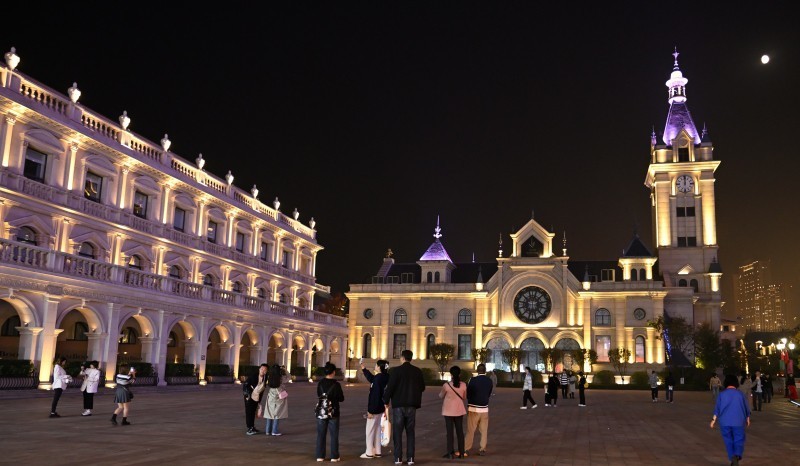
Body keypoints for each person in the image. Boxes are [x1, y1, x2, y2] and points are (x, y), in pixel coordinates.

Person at [383, 350, 425, 465]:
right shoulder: (417, 371)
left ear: (402, 358)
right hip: (412, 405)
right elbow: (422, 387)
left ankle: (398, 458)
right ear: (411, 358)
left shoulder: (396, 371)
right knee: (410, 432)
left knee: (398, 432)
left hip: (398, 405)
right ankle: (411, 458)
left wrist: (386, 401)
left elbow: (390, 388)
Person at [710, 374, 751, 466]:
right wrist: (748, 418)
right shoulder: (740, 394)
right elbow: (746, 408)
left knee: (728, 440)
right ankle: (737, 455)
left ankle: (732, 456)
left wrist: (713, 420)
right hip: (738, 421)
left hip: (725, 421)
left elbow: (717, 409)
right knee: (739, 439)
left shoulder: (722, 394)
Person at [360, 359, 390, 459]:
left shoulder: (378, 378)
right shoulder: (385, 377)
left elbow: (374, 395)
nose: (375, 366)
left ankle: (369, 452)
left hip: (375, 407)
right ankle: (378, 451)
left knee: (369, 430)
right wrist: (364, 369)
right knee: (377, 429)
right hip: (381, 407)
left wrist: (370, 411)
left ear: (380, 367)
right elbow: (372, 378)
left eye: (376, 365)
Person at [316, 362, 344, 462]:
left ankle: (320, 456)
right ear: (333, 372)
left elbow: (319, 395)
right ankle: (334, 456)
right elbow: (341, 398)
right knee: (334, 435)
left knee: (321, 434)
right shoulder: (336, 385)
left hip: (322, 411)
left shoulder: (320, 383)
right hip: (334, 411)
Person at [464, 363, 493, 457]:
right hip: (484, 408)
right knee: (484, 431)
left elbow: (468, 393)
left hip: (473, 407)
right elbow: (489, 393)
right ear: (485, 371)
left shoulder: (472, 380)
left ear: (477, 370)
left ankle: (466, 448)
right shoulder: (489, 381)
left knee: (470, 430)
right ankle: (482, 449)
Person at [439, 365, 467, 459]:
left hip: (448, 411)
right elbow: (464, 397)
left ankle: (450, 453)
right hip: (459, 410)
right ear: (460, 373)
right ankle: (462, 452)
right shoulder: (463, 385)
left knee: (449, 432)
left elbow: (441, 396)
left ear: (450, 374)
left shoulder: (446, 385)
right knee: (460, 432)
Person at [262, 364, 288, 435]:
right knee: (277, 414)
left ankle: (268, 430)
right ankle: (274, 431)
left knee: (269, 413)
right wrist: (284, 369)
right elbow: (289, 377)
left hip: (270, 396)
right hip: (279, 397)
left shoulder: (269, 377)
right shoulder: (281, 378)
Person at [244, 364, 267, 435]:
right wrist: (248, 394)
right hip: (250, 397)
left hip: (257, 397)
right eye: (262, 369)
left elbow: (262, 389)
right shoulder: (253, 376)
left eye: (265, 369)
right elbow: (246, 385)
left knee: (253, 412)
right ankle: (249, 428)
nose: (263, 371)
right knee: (249, 412)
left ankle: (252, 427)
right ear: (259, 369)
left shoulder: (265, 378)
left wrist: (259, 400)